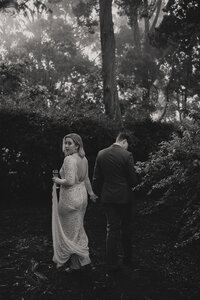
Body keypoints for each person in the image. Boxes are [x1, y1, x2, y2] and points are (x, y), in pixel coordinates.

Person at [92, 131, 138, 273]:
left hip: (108, 197)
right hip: (124, 198)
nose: (127, 148)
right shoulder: (127, 155)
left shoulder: (101, 154)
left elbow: (96, 178)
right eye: (127, 145)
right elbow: (132, 180)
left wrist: (95, 193)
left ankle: (111, 263)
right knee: (126, 228)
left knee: (111, 229)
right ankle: (127, 259)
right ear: (124, 141)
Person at [52, 133, 97, 271]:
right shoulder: (83, 159)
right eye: (65, 143)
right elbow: (86, 179)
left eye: (69, 143)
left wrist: (57, 180)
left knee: (69, 231)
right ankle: (83, 260)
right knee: (77, 228)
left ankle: (74, 265)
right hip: (82, 197)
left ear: (77, 145)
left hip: (70, 199)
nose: (66, 146)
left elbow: (70, 181)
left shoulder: (69, 159)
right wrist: (91, 194)